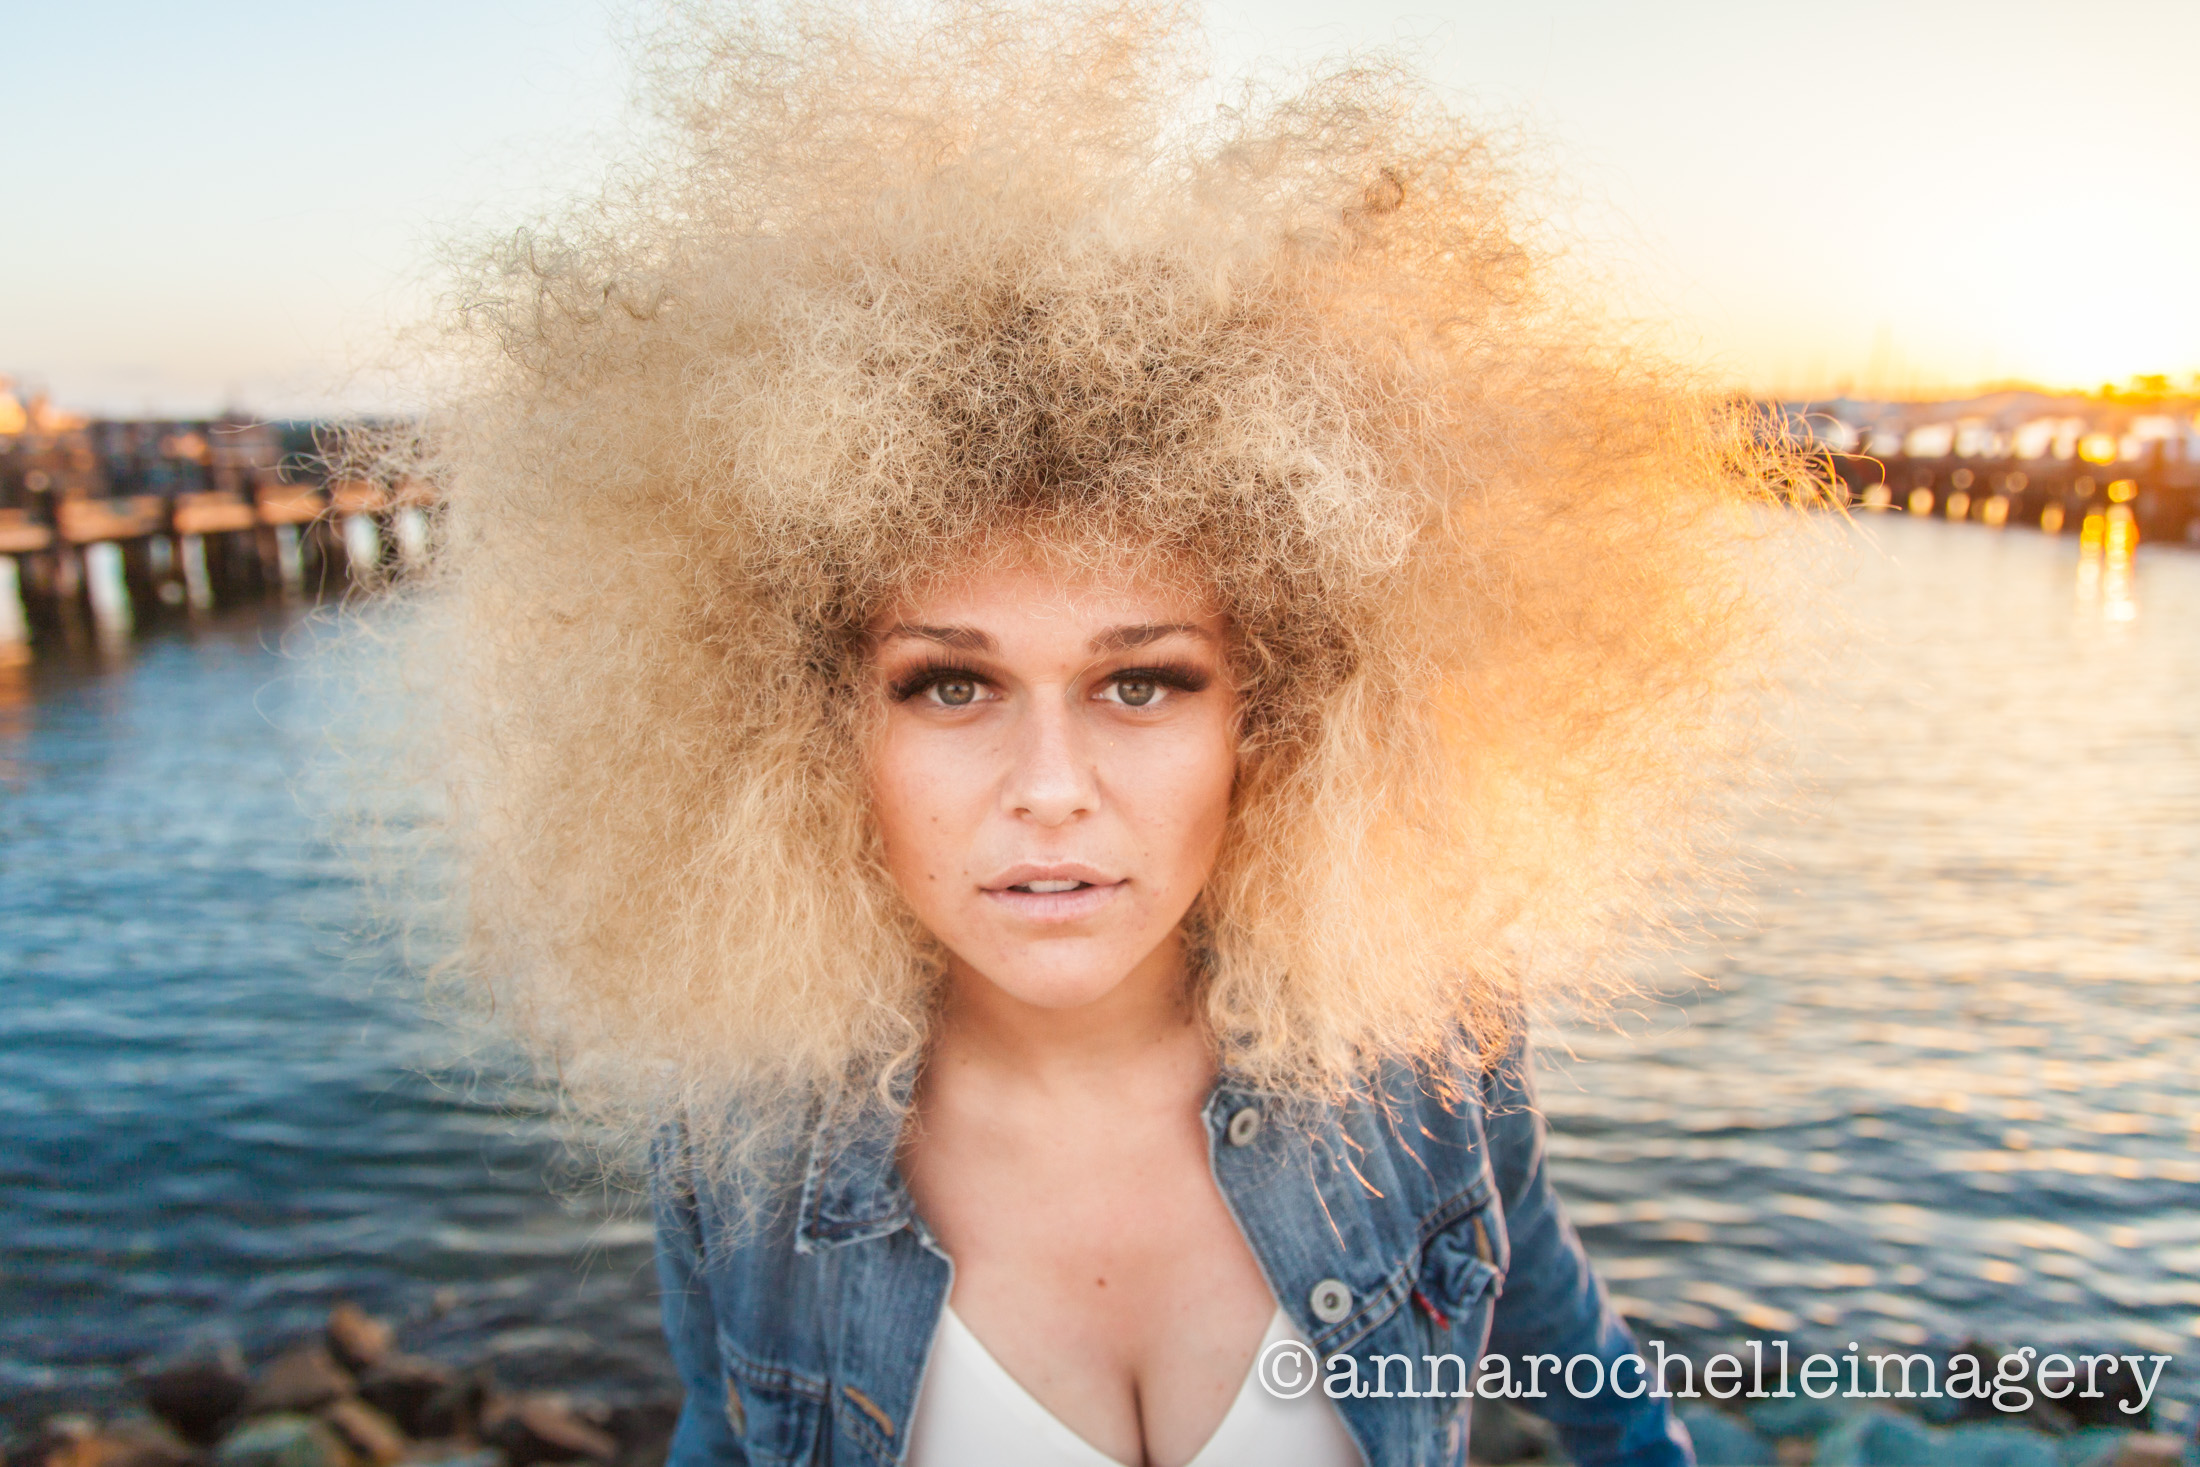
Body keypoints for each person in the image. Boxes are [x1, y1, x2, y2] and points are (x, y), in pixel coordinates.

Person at [388, 3, 1786, 1462]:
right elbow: (719, 1430)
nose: (1050, 792)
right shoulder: (741, 1145)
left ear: (1283, 714)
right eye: (949, 685)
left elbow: (1569, 1344)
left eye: (1144, 684)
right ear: (800, 734)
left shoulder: (1426, 1051)